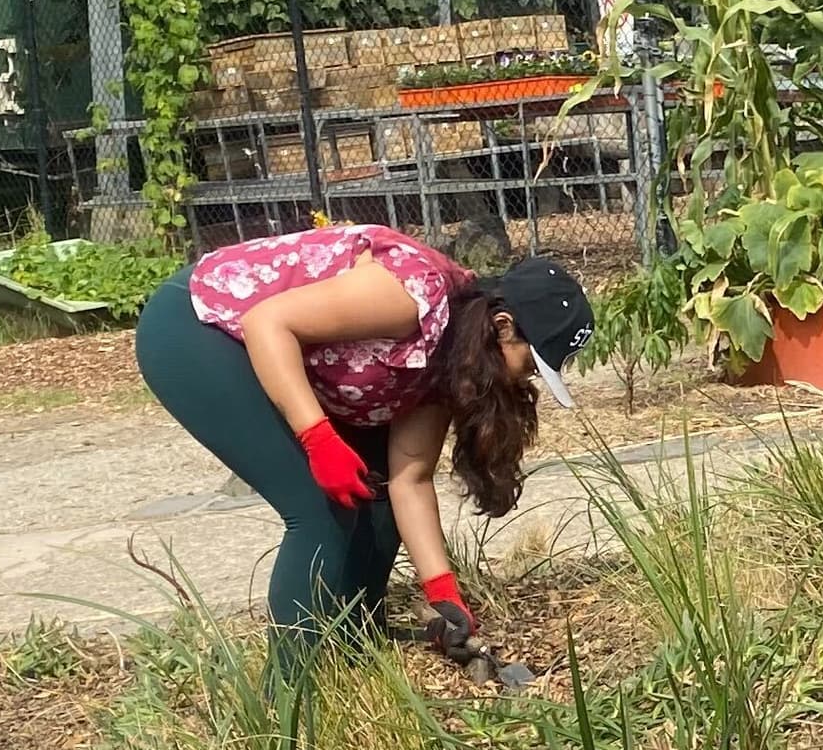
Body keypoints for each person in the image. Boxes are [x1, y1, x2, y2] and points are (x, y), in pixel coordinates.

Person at [132, 223, 593, 650]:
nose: (524, 382)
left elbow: (409, 481)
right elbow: (267, 323)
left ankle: (352, 646)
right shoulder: (415, 294)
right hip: (201, 323)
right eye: (530, 365)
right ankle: (292, 702)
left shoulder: (452, 362)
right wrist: (318, 439)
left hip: (272, 345)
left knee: (374, 493)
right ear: (503, 327)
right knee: (320, 507)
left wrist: (443, 593)